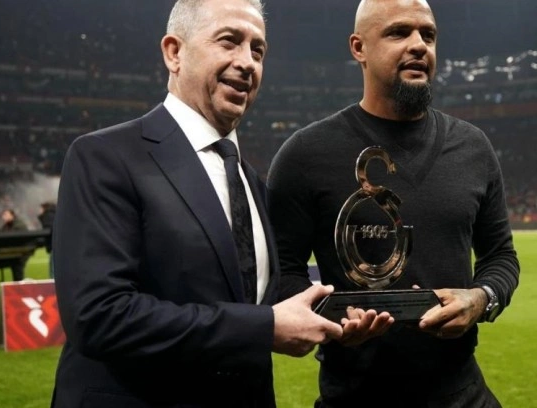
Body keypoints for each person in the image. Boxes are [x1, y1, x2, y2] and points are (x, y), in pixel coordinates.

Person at [50, 0, 343, 407]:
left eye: (258, 50)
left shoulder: (251, 182)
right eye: (229, 41)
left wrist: (333, 315)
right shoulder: (106, 156)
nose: (247, 62)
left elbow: (245, 294)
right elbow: (98, 316)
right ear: (174, 52)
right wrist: (263, 327)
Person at [267, 0, 520, 406]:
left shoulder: (473, 148)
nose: (419, 45)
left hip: (462, 392)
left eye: (428, 35)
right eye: (399, 32)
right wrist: (332, 316)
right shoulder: (305, 154)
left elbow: (501, 256)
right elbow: (281, 271)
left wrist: (481, 299)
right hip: (354, 395)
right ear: (359, 48)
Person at [0, 208, 28, 281]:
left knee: (18, 268)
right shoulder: (6, 226)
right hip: (14, 251)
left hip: (21, 251)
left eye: (6, 215)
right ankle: (17, 284)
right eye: (3, 215)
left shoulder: (18, 225)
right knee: (16, 269)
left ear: (12, 215)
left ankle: (19, 284)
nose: (3, 217)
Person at [37, 201, 56, 278]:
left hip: (54, 245)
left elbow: (49, 230)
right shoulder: (53, 214)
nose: (39, 210)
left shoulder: (48, 216)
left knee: (53, 271)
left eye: (41, 208)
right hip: (57, 245)